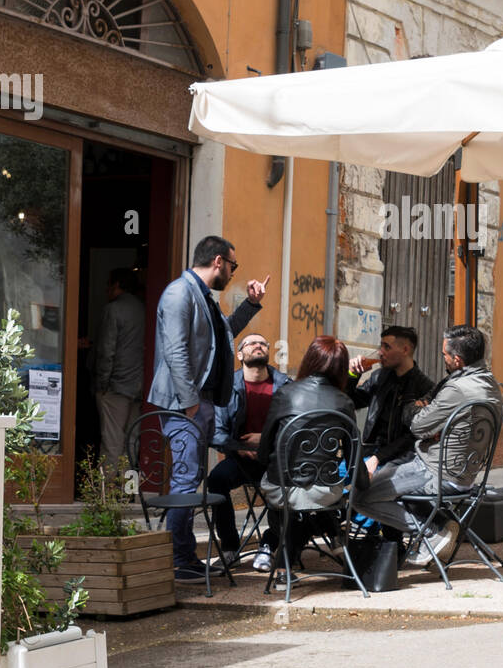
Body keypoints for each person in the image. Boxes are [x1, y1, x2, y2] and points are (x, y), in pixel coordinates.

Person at [146, 235, 269, 581]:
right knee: (185, 483)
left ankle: (183, 556)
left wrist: (251, 304)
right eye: (232, 265)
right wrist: (189, 404)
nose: (233, 272)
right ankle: (178, 558)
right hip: (183, 406)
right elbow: (175, 352)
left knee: (191, 480)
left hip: (201, 405)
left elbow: (223, 334)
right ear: (218, 261)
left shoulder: (203, 297)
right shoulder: (178, 294)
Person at [357, 324, 503, 568]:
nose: (443, 359)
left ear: (457, 360)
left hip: (434, 470)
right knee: (384, 480)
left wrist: (419, 406)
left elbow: (416, 426)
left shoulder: (455, 388)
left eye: (444, 355)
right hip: (466, 475)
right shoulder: (491, 385)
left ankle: (434, 531)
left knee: (362, 496)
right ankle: (438, 528)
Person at [254, 335, 358, 571]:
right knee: (308, 505)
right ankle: (332, 530)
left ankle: (283, 569)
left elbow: (264, 450)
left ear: (309, 360)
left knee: (292, 507)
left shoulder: (285, 394)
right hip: (326, 491)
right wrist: (362, 483)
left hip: (283, 488)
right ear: (341, 367)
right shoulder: (344, 402)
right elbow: (353, 457)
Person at [206, 332, 292, 566]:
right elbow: (218, 431)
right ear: (240, 354)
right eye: (251, 343)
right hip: (241, 457)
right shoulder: (228, 387)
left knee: (290, 486)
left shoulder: (285, 386)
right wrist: (239, 448)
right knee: (216, 479)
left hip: (275, 458)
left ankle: (268, 545)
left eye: (263, 343)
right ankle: (230, 546)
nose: (258, 346)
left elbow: (294, 428)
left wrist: (265, 439)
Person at [346, 325, 434, 484]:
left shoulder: (424, 387)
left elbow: (412, 436)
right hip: (370, 453)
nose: (380, 352)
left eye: (387, 347)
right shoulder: (379, 377)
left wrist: (378, 458)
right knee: (333, 475)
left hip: (399, 459)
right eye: (381, 346)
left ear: (405, 350)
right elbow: (350, 401)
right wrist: (353, 374)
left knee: (363, 489)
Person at [94, 267, 145, 466]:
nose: (106, 289)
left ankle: (105, 494)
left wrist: (102, 384)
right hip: (138, 385)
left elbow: (107, 352)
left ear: (116, 285)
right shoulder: (143, 308)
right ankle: (128, 492)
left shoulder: (113, 310)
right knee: (132, 441)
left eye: (108, 284)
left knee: (111, 442)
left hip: (116, 386)